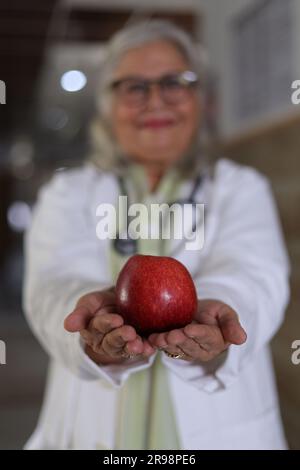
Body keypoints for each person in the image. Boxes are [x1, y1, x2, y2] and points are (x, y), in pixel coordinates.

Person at [23, 20, 290, 450]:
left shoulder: (240, 186)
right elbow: (52, 281)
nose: (155, 101)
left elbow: (256, 271)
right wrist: (93, 326)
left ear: (200, 100)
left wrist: (221, 308)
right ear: (108, 105)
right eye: (133, 87)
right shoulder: (67, 193)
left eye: (174, 82)